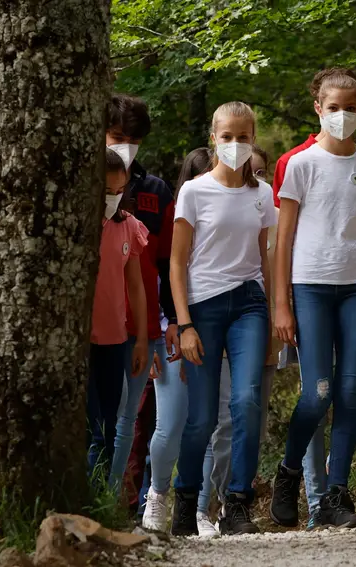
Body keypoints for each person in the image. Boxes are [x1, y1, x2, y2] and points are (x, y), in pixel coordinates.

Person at [269, 68, 356, 529]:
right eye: (334, 107)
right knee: (317, 393)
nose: (343, 115)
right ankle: (288, 472)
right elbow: (283, 240)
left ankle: (335, 495)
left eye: (351, 107)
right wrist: (281, 304)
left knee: (350, 391)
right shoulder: (301, 165)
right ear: (318, 109)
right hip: (310, 287)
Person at [170, 102, 277, 537]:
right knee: (201, 417)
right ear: (213, 138)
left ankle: (237, 504)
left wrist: (274, 315)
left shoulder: (262, 194)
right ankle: (185, 500)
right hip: (203, 307)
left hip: (250, 303)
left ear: (253, 139)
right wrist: (184, 325)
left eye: (243, 137)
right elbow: (177, 263)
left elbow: (265, 259)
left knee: (247, 401)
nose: (235, 144)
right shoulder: (194, 192)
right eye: (227, 136)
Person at [200, 146, 280, 529]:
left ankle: (237, 499)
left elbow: (273, 271)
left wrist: (275, 322)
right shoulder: (205, 199)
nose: (256, 177)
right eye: (253, 170)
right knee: (225, 420)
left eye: (263, 171)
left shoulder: (271, 210)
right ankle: (222, 500)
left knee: (251, 415)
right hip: (218, 319)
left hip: (258, 320)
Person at [106, 94, 180, 497]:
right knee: (100, 418)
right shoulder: (84, 185)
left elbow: (167, 261)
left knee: (128, 420)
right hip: (97, 322)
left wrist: (173, 319)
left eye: (133, 140)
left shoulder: (156, 191)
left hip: (144, 323)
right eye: (118, 137)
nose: (126, 147)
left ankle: (112, 501)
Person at [139, 147, 214, 534]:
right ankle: (157, 493)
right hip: (171, 332)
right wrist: (164, 328)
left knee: (210, 425)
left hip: (214, 329)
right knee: (169, 426)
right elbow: (160, 278)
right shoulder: (175, 222)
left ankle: (200, 509)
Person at [89, 149, 149, 482]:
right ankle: (87, 496)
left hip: (115, 340)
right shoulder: (77, 228)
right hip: (82, 341)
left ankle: (100, 496)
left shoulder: (128, 226)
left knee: (110, 427)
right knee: (91, 426)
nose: (112, 198)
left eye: (119, 191)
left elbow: (136, 286)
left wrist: (141, 340)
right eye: (106, 191)